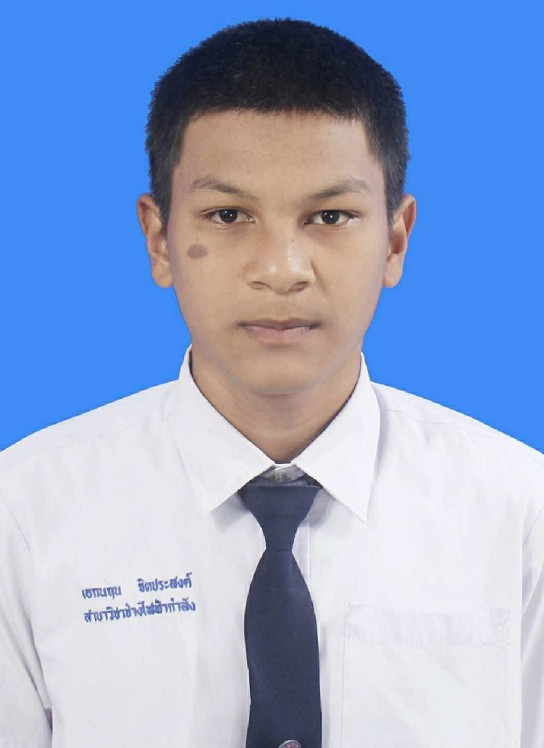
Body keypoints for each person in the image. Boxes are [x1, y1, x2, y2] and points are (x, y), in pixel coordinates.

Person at [0, 16, 542, 748]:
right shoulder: (24, 514)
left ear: (395, 239)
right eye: (228, 214)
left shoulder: (521, 514)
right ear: (159, 239)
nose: (281, 270)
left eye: (330, 215)